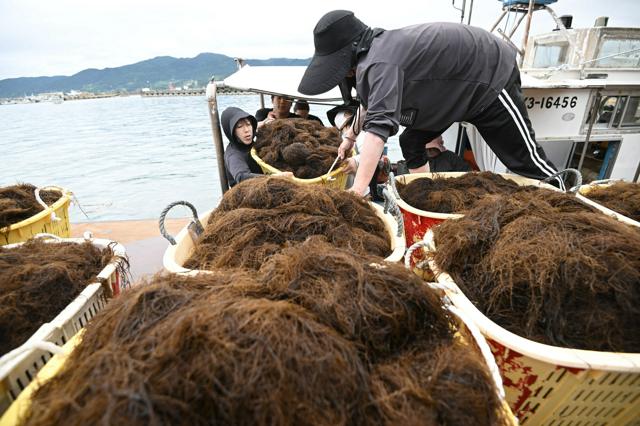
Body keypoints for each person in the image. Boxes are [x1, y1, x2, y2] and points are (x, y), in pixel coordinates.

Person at [298, 10, 565, 195]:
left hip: (489, 76)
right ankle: (423, 191)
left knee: (526, 162)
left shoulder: (380, 61)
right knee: (410, 141)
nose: (343, 73)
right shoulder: (371, 55)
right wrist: (350, 138)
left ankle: (569, 202)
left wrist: (357, 190)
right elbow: (370, 106)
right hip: (450, 96)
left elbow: (378, 132)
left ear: (351, 51)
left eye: (340, 66)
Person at [221, 107, 292, 187]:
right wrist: (275, 178)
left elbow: (256, 127)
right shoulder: (233, 154)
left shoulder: (249, 140)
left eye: (248, 124)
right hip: (247, 194)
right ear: (232, 131)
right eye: (240, 127)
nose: (246, 130)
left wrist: (266, 122)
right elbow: (241, 177)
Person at [406, 134, 471, 173]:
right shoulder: (418, 159)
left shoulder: (452, 158)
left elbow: (467, 172)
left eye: (433, 148)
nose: (429, 152)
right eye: (427, 149)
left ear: (440, 146)